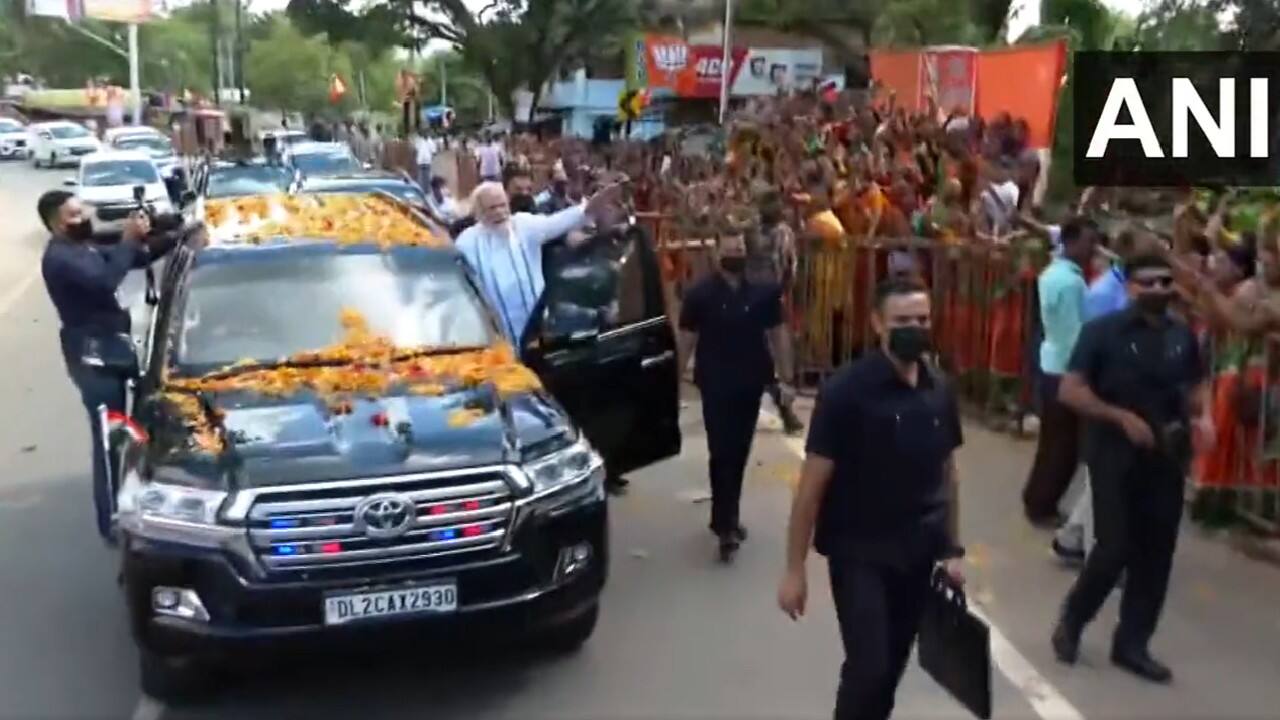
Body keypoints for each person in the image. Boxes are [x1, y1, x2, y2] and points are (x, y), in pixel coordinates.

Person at [777, 279, 965, 720]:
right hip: (859, 552)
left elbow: (949, 473)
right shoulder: (846, 392)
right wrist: (794, 570)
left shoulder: (939, 389)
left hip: (918, 551)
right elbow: (811, 486)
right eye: (902, 321)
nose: (914, 328)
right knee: (868, 666)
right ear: (878, 323)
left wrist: (954, 549)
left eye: (921, 319)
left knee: (891, 668)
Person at [1051, 254, 1212, 684]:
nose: (1158, 290)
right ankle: (1072, 621)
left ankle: (1133, 643)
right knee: (1113, 547)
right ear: (1130, 288)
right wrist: (1119, 417)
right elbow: (1071, 390)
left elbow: (1198, 385)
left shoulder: (1182, 335)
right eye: (1148, 283)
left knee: (1157, 552)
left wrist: (1204, 418)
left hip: (1167, 455)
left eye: (1165, 282)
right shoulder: (1103, 333)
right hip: (1114, 452)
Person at [38, 191, 183, 541]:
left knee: (132, 432)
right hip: (93, 360)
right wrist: (129, 238)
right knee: (110, 440)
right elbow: (106, 280)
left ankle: (129, 504)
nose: (85, 216)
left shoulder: (83, 248)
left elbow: (134, 258)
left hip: (113, 351)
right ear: (57, 223)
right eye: (75, 214)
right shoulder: (60, 258)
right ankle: (112, 522)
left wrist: (176, 232)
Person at [678, 228, 795, 562]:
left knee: (739, 451)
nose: (735, 253)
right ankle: (725, 525)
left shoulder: (762, 293)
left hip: (750, 381)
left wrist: (785, 379)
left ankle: (727, 517)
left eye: (739, 247)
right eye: (729, 248)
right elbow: (686, 339)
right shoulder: (699, 294)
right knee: (720, 450)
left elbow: (777, 333)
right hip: (715, 383)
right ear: (717, 253)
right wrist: (673, 384)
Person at [455, 180, 621, 345]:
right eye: (492, 208)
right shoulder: (467, 243)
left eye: (503, 205)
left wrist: (592, 206)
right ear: (478, 213)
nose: (499, 212)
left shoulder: (524, 225)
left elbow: (561, 221)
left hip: (537, 332)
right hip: (497, 337)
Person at [1022, 217, 1100, 527]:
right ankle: (1042, 504)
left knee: (1054, 441)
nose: (1093, 248)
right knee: (1062, 446)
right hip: (1064, 367)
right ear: (1070, 242)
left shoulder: (1056, 273)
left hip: (1053, 363)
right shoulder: (1070, 281)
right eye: (1088, 241)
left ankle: (1037, 498)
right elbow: (1071, 332)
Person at [748, 192, 804, 435]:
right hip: (761, 298)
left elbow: (788, 266)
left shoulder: (771, 231)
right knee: (768, 356)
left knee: (775, 357)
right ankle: (783, 408)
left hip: (765, 298)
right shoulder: (758, 230)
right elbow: (789, 267)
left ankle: (784, 407)